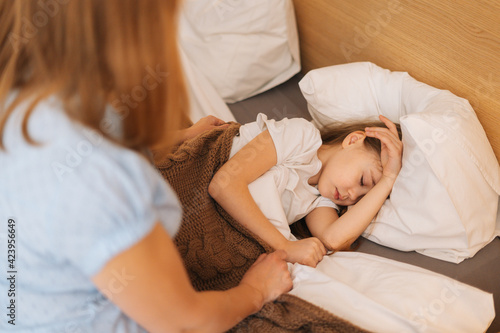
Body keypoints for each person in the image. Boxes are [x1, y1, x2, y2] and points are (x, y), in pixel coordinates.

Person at [0, 1, 292, 332]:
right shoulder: (94, 179)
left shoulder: (23, 94)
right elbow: (187, 324)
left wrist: (182, 136)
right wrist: (256, 290)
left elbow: (100, 130)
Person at [209, 113, 403, 268]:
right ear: (352, 140)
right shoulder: (302, 137)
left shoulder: (319, 199)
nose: (352, 196)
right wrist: (285, 247)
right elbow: (223, 185)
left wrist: (388, 180)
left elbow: (333, 239)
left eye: (361, 198)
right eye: (363, 180)